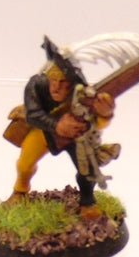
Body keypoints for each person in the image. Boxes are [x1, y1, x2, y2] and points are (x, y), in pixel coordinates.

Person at [7, 37, 118, 214]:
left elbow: (96, 122)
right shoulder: (36, 84)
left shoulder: (84, 93)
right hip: (45, 131)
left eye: (63, 82)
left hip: (76, 136)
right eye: (53, 80)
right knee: (24, 164)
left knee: (88, 170)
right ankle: (20, 191)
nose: (56, 87)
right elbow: (33, 115)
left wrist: (105, 113)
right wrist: (57, 125)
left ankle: (87, 204)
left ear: (72, 82)